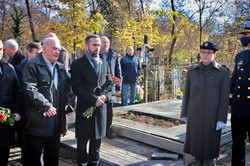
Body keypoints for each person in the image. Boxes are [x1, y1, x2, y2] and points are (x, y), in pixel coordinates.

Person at [22, 37, 74, 166]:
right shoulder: (32, 65)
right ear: (44, 49)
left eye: (59, 49)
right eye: (54, 48)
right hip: (37, 122)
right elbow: (29, 88)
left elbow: (68, 89)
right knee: (34, 159)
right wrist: (46, 105)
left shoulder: (61, 68)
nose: (57, 52)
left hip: (56, 123)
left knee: (52, 158)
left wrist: (69, 104)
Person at [181, 41, 230, 165]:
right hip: (194, 115)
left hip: (212, 116)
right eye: (203, 52)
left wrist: (221, 119)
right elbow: (186, 94)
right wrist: (184, 113)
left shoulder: (222, 73)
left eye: (209, 53)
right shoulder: (192, 71)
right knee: (196, 148)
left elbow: (224, 98)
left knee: (209, 150)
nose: (205, 55)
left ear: (214, 54)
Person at [71, 34, 111, 166]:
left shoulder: (105, 63)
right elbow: (76, 87)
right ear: (86, 46)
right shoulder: (77, 64)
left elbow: (110, 85)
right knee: (82, 144)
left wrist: (106, 97)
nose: (98, 48)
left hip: (101, 110)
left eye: (99, 45)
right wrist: (93, 99)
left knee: (96, 144)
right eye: (94, 45)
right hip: (85, 109)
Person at [229, 21, 250, 166]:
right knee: (237, 143)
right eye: (243, 35)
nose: (244, 37)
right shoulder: (240, 55)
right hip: (238, 107)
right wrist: (229, 102)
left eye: (247, 34)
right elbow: (234, 79)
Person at [0, 40, 21, 166]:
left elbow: (17, 93)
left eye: (1, 49)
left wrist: (17, 112)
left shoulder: (9, 68)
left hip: (5, 124)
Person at [100, 36, 122, 139]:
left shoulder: (114, 55)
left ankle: (108, 130)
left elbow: (118, 71)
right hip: (99, 86)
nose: (105, 44)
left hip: (110, 86)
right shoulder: (96, 55)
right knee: (99, 109)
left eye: (107, 42)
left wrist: (118, 87)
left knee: (109, 111)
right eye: (103, 42)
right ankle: (100, 130)